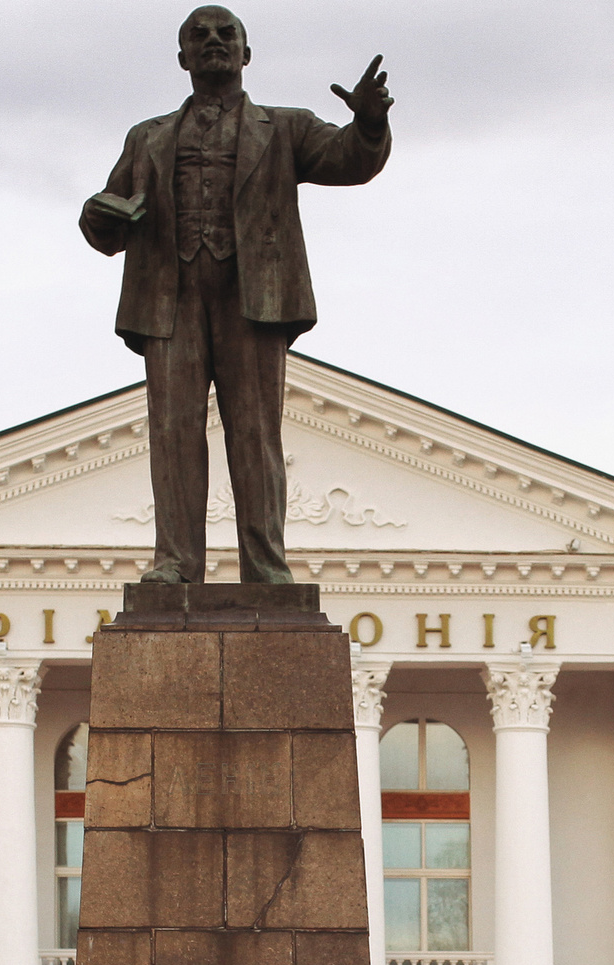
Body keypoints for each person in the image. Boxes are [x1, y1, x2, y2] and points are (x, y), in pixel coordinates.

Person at [79, 7, 391, 585]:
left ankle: (266, 568)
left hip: (254, 298)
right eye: (199, 36)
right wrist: (95, 214)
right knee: (174, 433)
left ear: (246, 55)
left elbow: (349, 158)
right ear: (183, 59)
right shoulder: (146, 137)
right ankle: (175, 563)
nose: (214, 42)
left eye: (228, 35)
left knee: (255, 433)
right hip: (168, 300)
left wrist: (370, 125)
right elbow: (110, 220)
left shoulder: (285, 128)